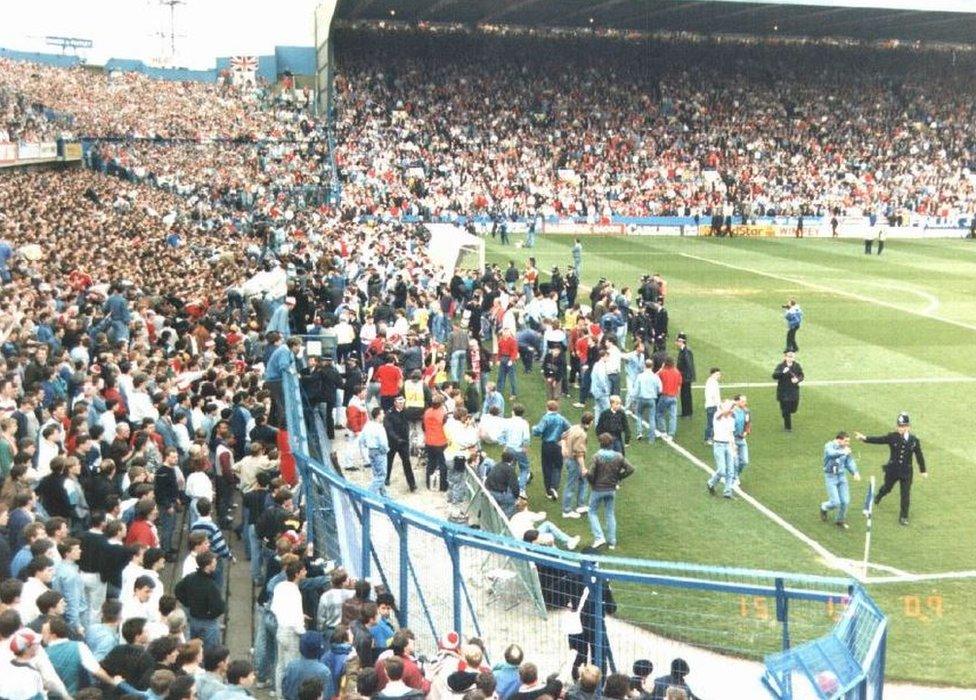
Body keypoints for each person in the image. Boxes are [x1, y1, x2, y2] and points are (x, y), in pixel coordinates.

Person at [855, 412, 928, 526]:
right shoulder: (892, 437)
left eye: (903, 426)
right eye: (899, 426)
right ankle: (879, 496)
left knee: (905, 494)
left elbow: (919, 455)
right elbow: (879, 440)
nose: (901, 428)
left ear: (908, 427)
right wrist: (865, 438)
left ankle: (904, 516)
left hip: (906, 472)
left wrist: (923, 470)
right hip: (892, 470)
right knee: (887, 488)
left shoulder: (914, 440)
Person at [583, 433, 635, 550]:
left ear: (600, 443)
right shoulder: (618, 456)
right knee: (610, 513)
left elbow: (591, 474)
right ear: (611, 443)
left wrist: (586, 475)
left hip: (598, 489)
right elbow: (631, 469)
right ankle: (612, 541)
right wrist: (619, 477)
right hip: (611, 489)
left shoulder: (597, 456)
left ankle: (599, 537)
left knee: (592, 512)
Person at [174, 551, 225, 651]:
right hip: (209, 622)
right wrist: (211, 614)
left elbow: (178, 590)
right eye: (214, 562)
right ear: (207, 566)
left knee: (195, 649)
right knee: (211, 652)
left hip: (194, 620)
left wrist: (187, 602)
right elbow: (219, 607)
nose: (215, 563)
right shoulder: (211, 585)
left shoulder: (190, 578)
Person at [819, 432, 861, 529]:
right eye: (846, 441)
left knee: (845, 501)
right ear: (839, 440)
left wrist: (855, 472)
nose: (848, 443)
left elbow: (849, 462)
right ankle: (824, 507)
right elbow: (831, 454)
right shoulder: (829, 445)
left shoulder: (845, 449)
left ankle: (840, 520)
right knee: (835, 502)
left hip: (841, 476)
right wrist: (843, 452)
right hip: (830, 476)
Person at [531, 400, 571, 500]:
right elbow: (570, 428)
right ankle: (554, 487)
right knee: (557, 466)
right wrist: (562, 436)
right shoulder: (561, 418)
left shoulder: (546, 418)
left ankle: (549, 491)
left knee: (547, 467)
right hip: (558, 445)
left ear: (547, 408)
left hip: (547, 445)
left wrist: (533, 428)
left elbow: (539, 430)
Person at [561, 412, 592, 519]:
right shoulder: (582, 435)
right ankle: (566, 510)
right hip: (574, 461)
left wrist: (563, 448)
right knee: (571, 485)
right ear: (590, 422)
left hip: (569, 459)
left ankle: (581, 505)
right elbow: (579, 453)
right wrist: (583, 468)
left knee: (583, 481)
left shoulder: (574, 427)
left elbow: (563, 436)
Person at [705, 400, 738, 499]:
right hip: (719, 444)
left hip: (728, 444)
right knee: (722, 470)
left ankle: (727, 492)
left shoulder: (731, 419)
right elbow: (725, 412)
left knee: (730, 470)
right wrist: (732, 404)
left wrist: (733, 447)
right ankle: (711, 482)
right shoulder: (717, 415)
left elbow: (731, 434)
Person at [361, 407, 390, 497]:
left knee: (377, 475)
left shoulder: (367, 425)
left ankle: (384, 495)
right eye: (382, 414)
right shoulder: (379, 428)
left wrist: (368, 445)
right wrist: (386, 450)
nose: (383, 415)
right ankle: (368, 494)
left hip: (371, 451)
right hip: (379, 452)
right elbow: (383, 443)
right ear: (378, 416)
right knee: (381, 476)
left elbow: (362, 440)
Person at [772, 351, 804, 431]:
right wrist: (782, 372)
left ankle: (785, 413)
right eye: (788, 357)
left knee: (793, 409)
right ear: (785, 357)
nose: (790, 358)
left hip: (793, 390)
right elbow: (774, 376)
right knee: (786, 410)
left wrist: (797, 380)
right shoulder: (781, 366)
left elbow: (801, 375)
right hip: (783, 391)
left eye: (792, 357)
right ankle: (788, 427)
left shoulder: (797, 366)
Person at [655, 357, 682, 441]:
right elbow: (679, 385)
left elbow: (654, 376)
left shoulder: (663, 372)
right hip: (674, 396)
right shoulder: (677, 372)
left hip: (665, 396)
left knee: (659, 413)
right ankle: (671, 434)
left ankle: (663, 431)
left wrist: (661, 368)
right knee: (673, 416)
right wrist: (677, 394)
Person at [732, 394, 751, 481]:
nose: (744, 403)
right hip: (733, 440)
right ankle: (734, 477)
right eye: (742, 401)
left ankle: (736, 475)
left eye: (745, 401)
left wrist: (745, 433)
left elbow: (748, 424)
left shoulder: (746, 411)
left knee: (744, 461)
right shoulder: (732, 412)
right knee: (735, 461)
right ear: (736, 401)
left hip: (742, 439)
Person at [675, 334, 695, 418]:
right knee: (683, 394)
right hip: (683, 376)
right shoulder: (683, 350)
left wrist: (686, 375)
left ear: (681, 342)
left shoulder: (686, 351)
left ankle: (688, 413)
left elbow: (688, 365)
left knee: (686, 395)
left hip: (686, 377)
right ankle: (684, 412)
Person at [702, 368, 721, 443]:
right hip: (712, 405)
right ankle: (709, 438)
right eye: (717, 374)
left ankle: (710, 437)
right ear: (712, 374)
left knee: (711, 422)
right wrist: (718, 404)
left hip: (711, 405)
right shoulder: (712, 382)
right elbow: (713, 395)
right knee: (711, 423)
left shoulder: (711, 381)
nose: (719, 376)